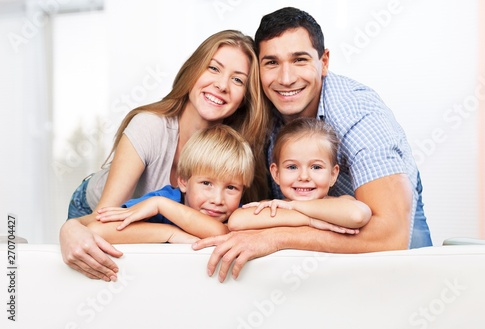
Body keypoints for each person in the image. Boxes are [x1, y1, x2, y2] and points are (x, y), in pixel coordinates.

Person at [192, 7, 433, 282]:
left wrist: (277, 238)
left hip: (385, 236)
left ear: (325, 61)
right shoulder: (260, 107)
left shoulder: (359, 115)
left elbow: (390, 236)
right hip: (311, 247)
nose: (285, 78)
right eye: (271, 63)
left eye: (299, 60)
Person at [59, 29, 269, 281]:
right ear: (193, 71)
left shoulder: (234, 149)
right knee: (96, 268)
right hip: (96, 210)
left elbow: (225, 229)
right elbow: (100, 222)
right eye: (213, 68)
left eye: (238, 80)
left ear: (245, 97)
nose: (222, 85)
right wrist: (71, 227)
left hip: (160, 223)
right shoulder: (150, 127)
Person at [88, 124, 254, 244]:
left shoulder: (238, 214)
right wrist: (170, 233)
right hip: (88, 195)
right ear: (183, 181)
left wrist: (161, 206)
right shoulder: (162, 200)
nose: (218, 199)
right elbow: (97, 230)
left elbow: (219, 232)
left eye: (231, 188)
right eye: (206, 183)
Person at [228, 117, 371, 233]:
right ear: (276, 173)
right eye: (292, 167)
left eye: (316, 167)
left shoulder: (341, 202)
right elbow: (236, 221)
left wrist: (293, 206)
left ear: (333, 175)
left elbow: (356, 216)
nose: (304, 177)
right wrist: (309, 220)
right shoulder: (272, 207)